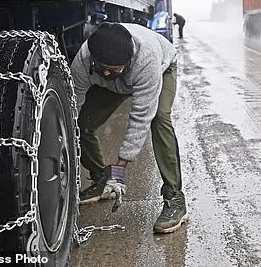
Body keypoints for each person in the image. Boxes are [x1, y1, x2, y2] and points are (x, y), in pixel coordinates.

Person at [70, 21, 188, 234]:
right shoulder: (84, 59)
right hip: (120, 82)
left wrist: (120, 169)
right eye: (102, 69)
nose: (105, 74)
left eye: (113, 70)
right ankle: (101, 178)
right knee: (81, 123)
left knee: (159, 119)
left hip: (163, 68)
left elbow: (139, 119)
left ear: (129, 61)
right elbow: (73, 104)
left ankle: (175, 197)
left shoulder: (147, 60)